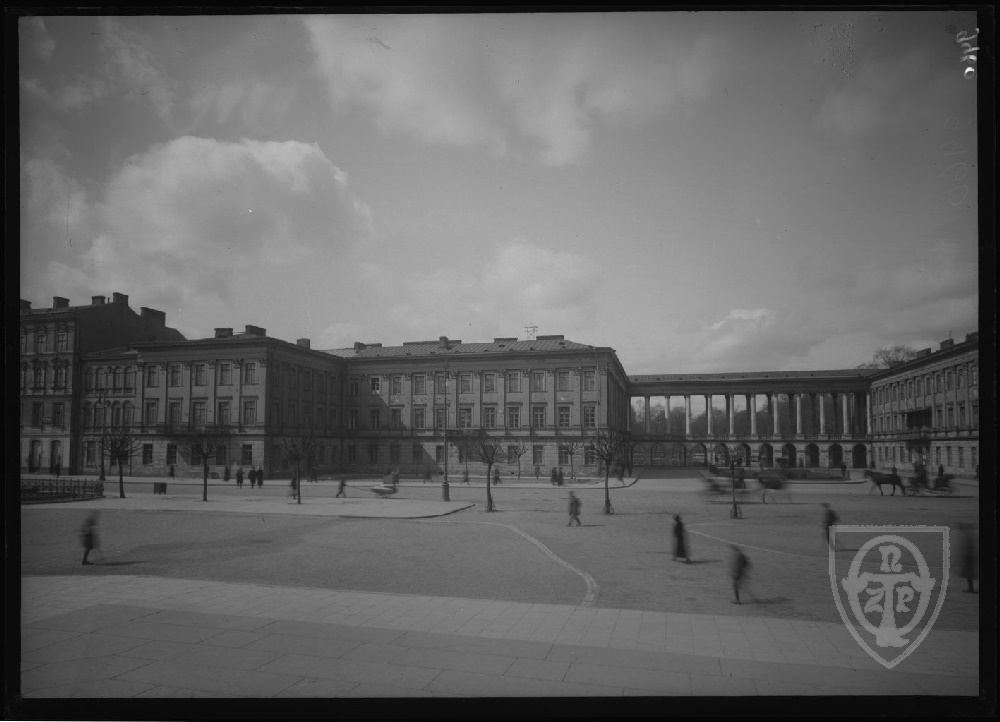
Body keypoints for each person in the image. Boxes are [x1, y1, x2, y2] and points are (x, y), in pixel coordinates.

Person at [958, 523, 977, 593]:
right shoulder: (968, 535)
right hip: (969, 557)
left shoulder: (968, 536)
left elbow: (969, 548)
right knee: (969, 573)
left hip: (969, 558)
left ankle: (971, 588)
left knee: (969, 573)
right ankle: (971, 587)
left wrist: (964, 557)